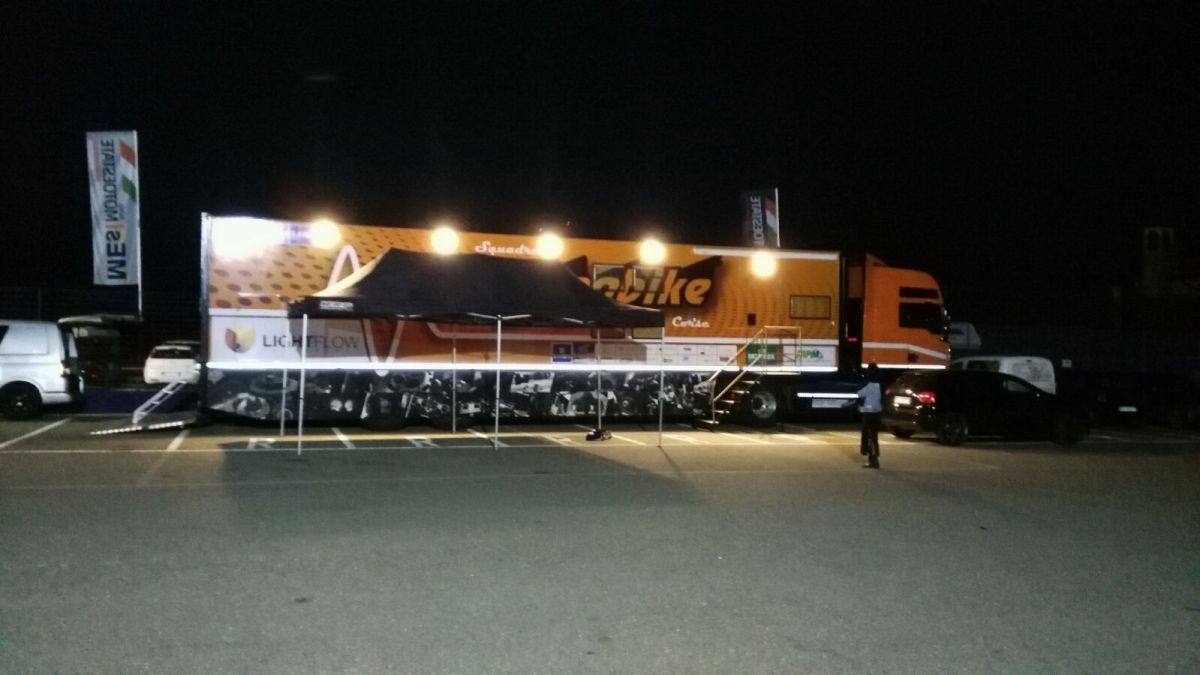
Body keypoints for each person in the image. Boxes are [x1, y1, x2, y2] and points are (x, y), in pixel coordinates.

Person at [857, 363, 882, 468]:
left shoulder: (870, 385)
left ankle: (872, 459)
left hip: (868, 413)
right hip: (877, 412)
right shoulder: (880, 384)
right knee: (874, 436)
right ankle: (875, 458)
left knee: (868, 436)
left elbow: (860, 393)